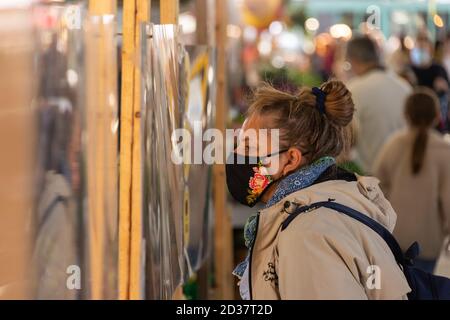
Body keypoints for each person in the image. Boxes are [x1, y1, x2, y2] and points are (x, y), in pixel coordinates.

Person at [226, 79, 410, 299]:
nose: (237, 153)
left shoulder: (306, 234)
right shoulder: (334, 198)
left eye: (249, 146)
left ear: (291, 159)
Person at [373, 88, 450, 273]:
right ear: (437, 116)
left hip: (392, 236)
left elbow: (375, 189)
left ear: (406, 115)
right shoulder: (444, 151)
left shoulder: (393, 144)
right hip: (428, 241)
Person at [346, 36, 412, 173]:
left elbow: (347, 140)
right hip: (403, 174)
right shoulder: (404, 87)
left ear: (353, 60)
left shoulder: (355, 90)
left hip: (370, 180)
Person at [410, 35, 449, 132]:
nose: (421, 51)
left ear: (430, 51)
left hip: (435, 123)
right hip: (414, 119)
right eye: (418, 48)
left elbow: (445, 94)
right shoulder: (409, 70)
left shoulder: (439, 70)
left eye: (424, 48)